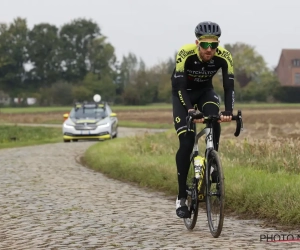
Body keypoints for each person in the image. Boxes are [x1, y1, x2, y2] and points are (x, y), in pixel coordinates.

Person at [171, 21, 235, 218]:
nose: (210, 50)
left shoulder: (224, 57)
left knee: (214, 117)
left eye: (213, 46)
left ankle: (212, 162)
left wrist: (229, 112)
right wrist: (190, 110)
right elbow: (180, 87)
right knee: (187, 141)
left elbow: (228, 87)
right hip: (183, 95)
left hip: (206, 92)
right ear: (197, 42)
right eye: (205, 45)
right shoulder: (185, 53)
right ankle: (181, 197)